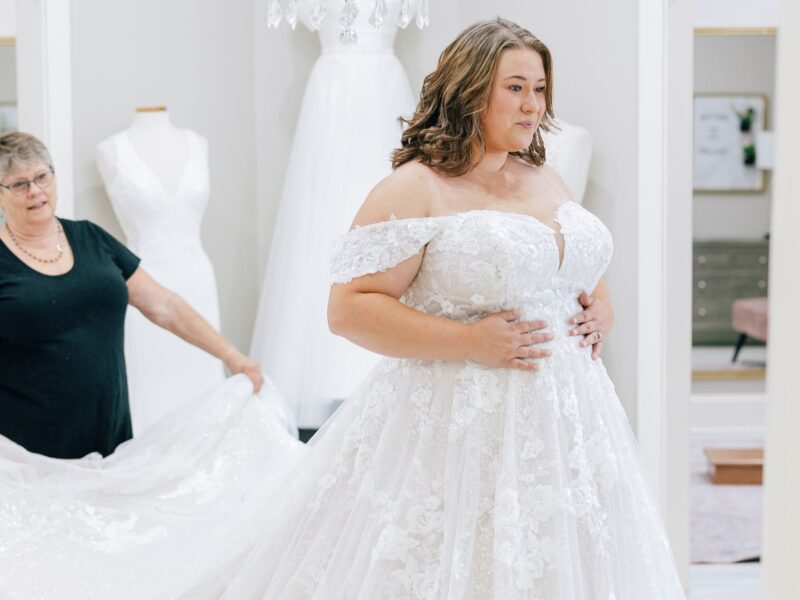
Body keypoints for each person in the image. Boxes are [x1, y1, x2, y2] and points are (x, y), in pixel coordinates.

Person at [0, 19, 685, 600]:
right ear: (472, 89)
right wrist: (469, 341)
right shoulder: (416, 186)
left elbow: (577, 267)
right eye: (516, 87)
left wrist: (602, 308)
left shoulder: (546, 174)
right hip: (464, 417)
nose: (533, 104)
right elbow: (349, 310)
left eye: (540, 89)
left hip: (571, 419)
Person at [0, 131, 262, 459]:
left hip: (109, 439)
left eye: (41, 176)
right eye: (18, 184)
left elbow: (165, 306)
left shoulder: (91, 238)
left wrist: (233, 356)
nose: (35, 190)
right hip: (27, 453)